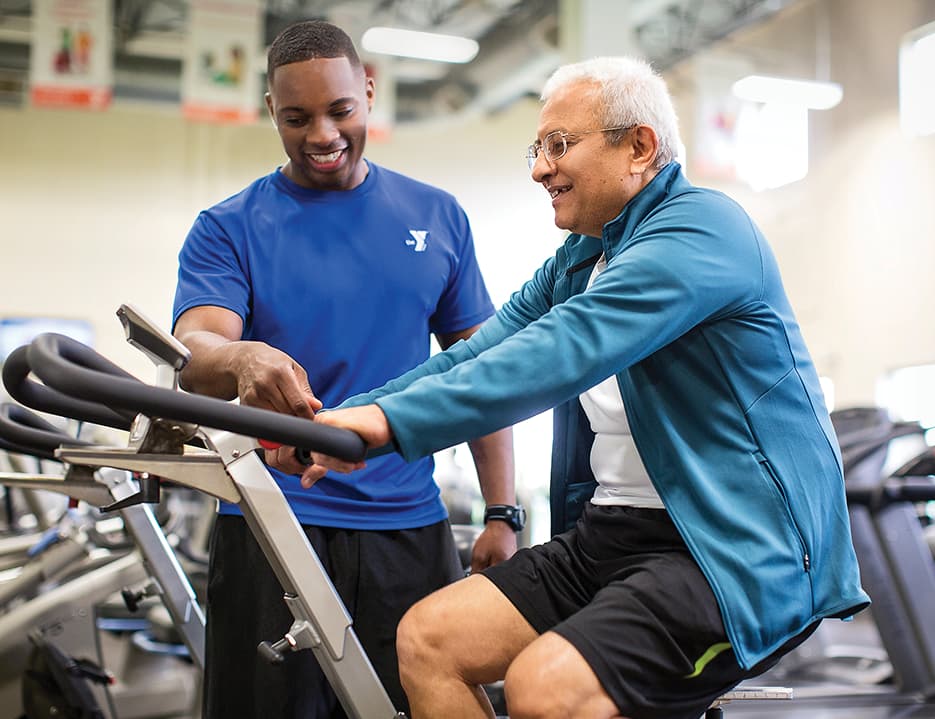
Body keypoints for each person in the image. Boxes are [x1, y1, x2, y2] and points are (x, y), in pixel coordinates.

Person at [301, 56, 871, 719]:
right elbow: (480, 353)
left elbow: (559, 351)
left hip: (732, 552)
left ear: (638, 146)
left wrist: (385, 428)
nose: (540, 168)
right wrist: (347, 417)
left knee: (544, 686)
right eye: (536, 150)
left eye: (559, 145)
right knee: (430, 640)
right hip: (612, 533)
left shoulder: (702, 230)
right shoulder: (582, 259)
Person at [171, 20, 517, 719]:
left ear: (368, 90)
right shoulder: (229, 226)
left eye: (340, 111)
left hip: (407, 529)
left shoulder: (436, 216)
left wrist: (501, 510)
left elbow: (482, 373)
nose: (322, 135)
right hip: (272, 524)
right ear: (272, 110)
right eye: (296, 118)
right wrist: (243, 355)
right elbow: (195, 351)